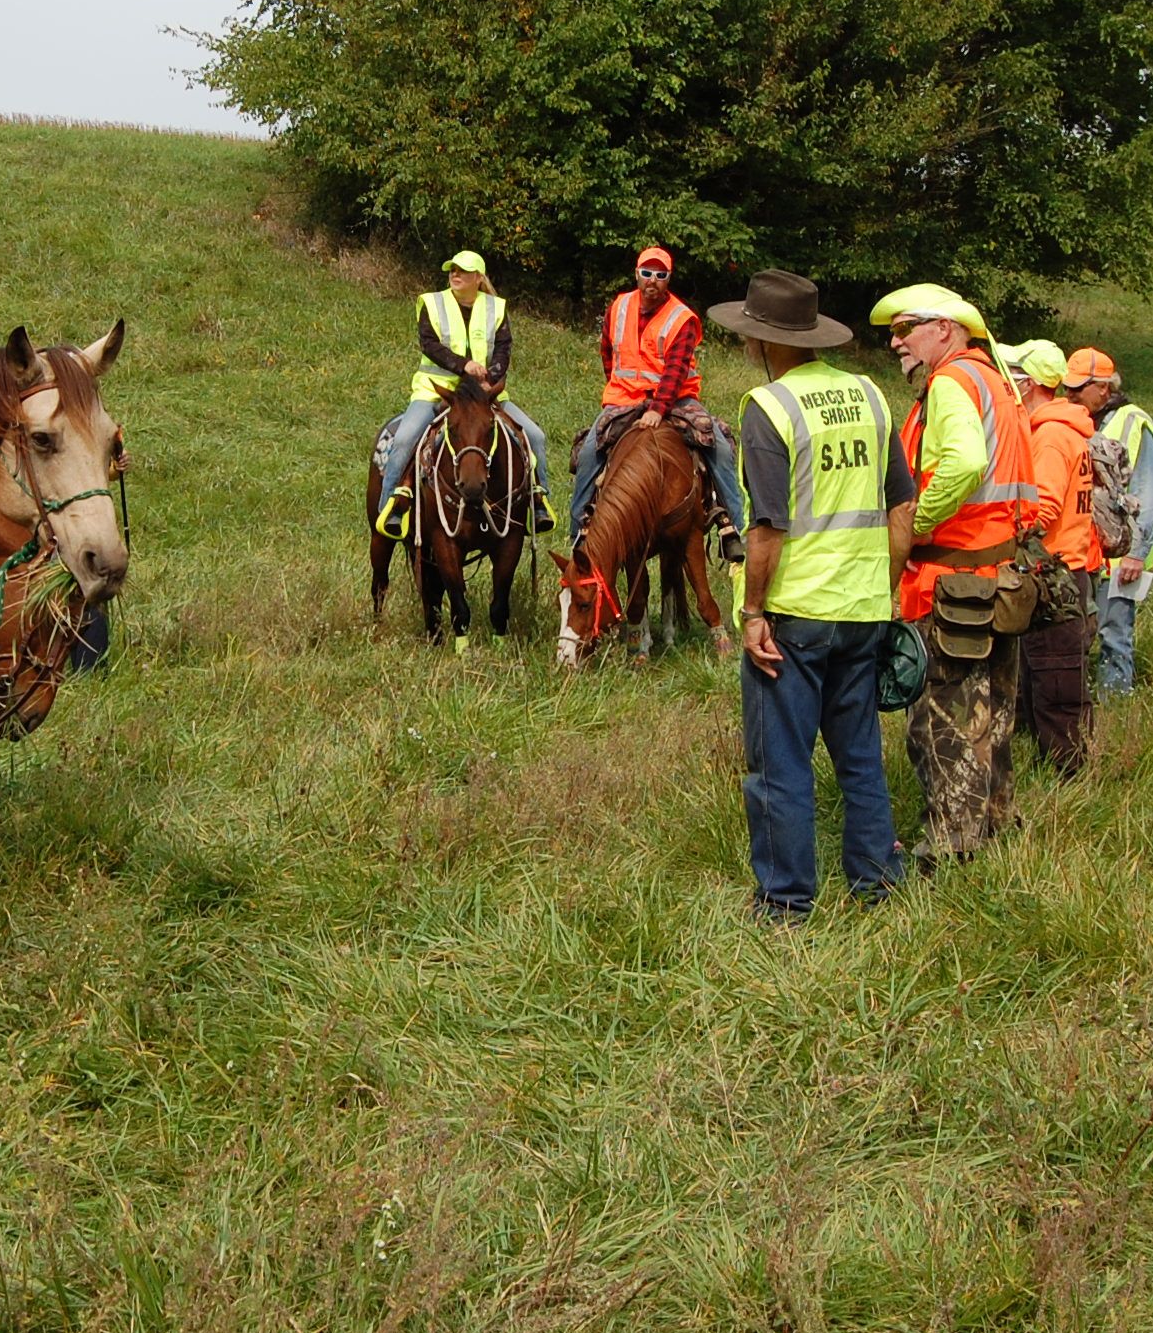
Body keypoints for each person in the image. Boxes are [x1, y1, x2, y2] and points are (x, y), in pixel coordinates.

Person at [719, 272, 915, 913]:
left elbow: (768, 525)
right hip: (863, 612)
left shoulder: (768, 409)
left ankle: (785, 902)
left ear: (761, 342)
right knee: (860, 755)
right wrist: (882, 592)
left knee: (780, 763)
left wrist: (752, 612)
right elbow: (901, 508)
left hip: (795, 615)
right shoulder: (871, 396)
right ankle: (876, 884)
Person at [870, 285, 1039, 864]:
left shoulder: (950, 384)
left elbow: (964, 463)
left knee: (940, 725)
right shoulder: (997, 380)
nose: (896, 342)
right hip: (999, 581)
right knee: (992, 717)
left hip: (952, 585)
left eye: (905, 328)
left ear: (944, 328)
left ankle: (950, 849)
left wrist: (916, 522)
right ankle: (996, 827)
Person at [567, 246, 745, 559]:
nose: (653, 280)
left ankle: (732, 526)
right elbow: (607, 352)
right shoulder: (619, 306)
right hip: (624, 396)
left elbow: (675, 372)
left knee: (717, 443)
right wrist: (619, 388)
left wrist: (657, 410)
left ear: (668, 279)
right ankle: (580, 531)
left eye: (660, 275)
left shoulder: (682, 318)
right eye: (647, 273)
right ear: (637, 274)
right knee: (588, 452)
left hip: (675, 399)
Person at [374, 251, 550, 539]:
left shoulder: (496, 308)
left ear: (478, 278)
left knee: (535, 436)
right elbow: (429, 344)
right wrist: (464, 366)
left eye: (463, 271)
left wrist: (490, 379)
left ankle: (537, 500)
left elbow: (504, 349)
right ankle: (391, 507)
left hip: (483, 396)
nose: (455, 274)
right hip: (434, 391)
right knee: (405, 439)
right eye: (452, 270)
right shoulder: (432, 303)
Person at [1006, 340, 1101, 777]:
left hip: (1054, 573)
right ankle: (1057, 769)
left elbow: (1040, 510)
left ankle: (1068, 776)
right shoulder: (1066, 429)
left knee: (1055, 683)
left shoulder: (1049, 436)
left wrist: (1003, 535)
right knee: (1050, 679)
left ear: (1029, 385)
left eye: (1014, 378)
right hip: (1070, 571)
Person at [1069, 348, 1153, 696]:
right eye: (1068, 387)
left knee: (1115, 634)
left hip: (1122, 555)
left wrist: (1136, 554)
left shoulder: (1135, 421)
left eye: (1079, 388)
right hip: (1088, 551)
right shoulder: (1080, 421)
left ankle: (1116, 706)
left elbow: (1149, 492)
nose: (1071, 395)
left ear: (1104, 389)